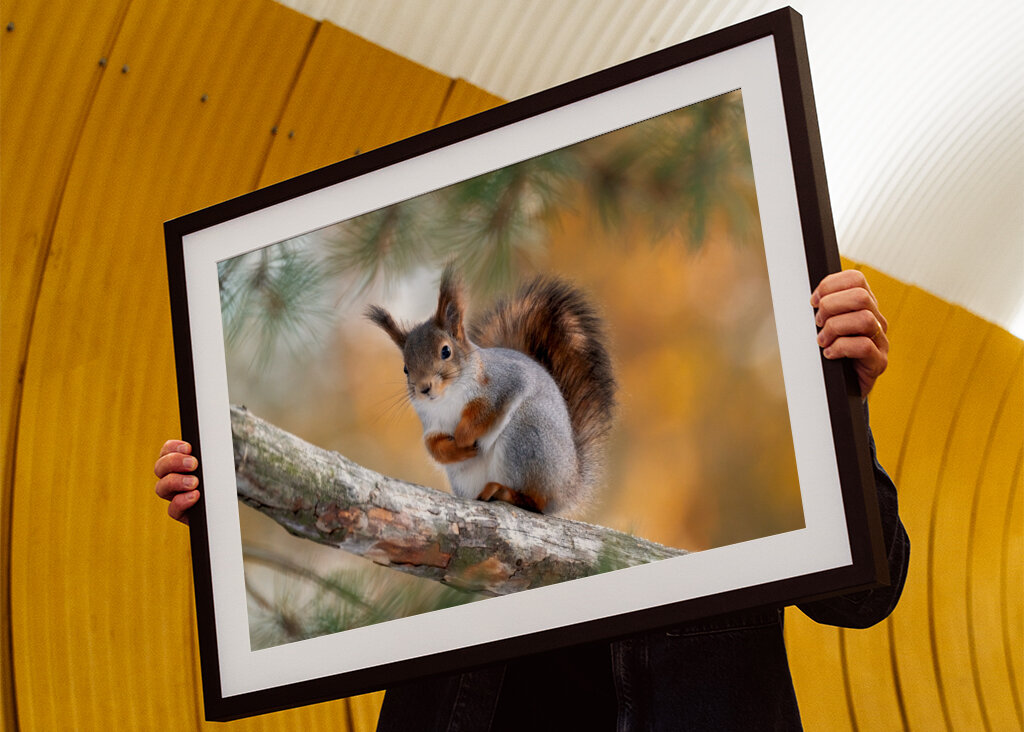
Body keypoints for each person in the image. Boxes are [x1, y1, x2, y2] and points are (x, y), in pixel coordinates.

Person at [154, 270, 909, 730]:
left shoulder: (720, 481)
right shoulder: (460, 501)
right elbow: (367, 546)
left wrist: (840, 405)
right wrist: (236, 486)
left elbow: (866, 594)